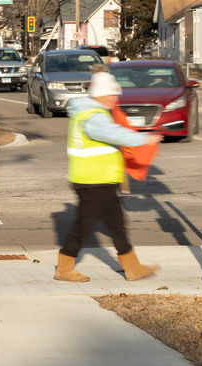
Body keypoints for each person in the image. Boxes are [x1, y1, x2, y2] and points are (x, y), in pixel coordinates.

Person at [55, 71, 162, 283]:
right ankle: (64, 266)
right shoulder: (93, 115)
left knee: (116, 223)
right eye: (112, 95)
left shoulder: (92, 111)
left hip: (100, 179)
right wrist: (142, 139)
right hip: (92, 180)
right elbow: (111, 133)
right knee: (85, 225)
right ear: (101, 95)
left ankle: (132, 267)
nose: (115, 99)